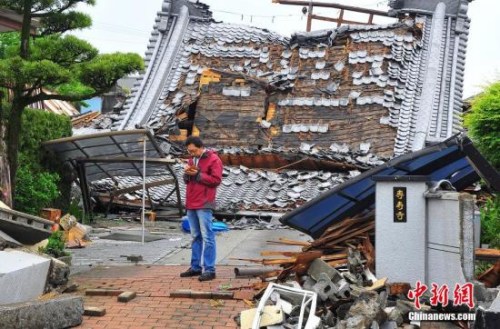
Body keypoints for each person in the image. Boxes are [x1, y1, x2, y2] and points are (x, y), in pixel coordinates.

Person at [180, 136, 223, 281]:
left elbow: (216, 180)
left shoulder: (214, 159)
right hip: (191, 201)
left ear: (201, 147)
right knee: (195, 236)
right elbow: (188, 180)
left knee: (207, 236)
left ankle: (210, 269)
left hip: (205, 202)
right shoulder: (192, 160)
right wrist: (187, 174)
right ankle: (195, 267)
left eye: (194, 150)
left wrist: (198, 174)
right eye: (189, 151)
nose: (191, 153)